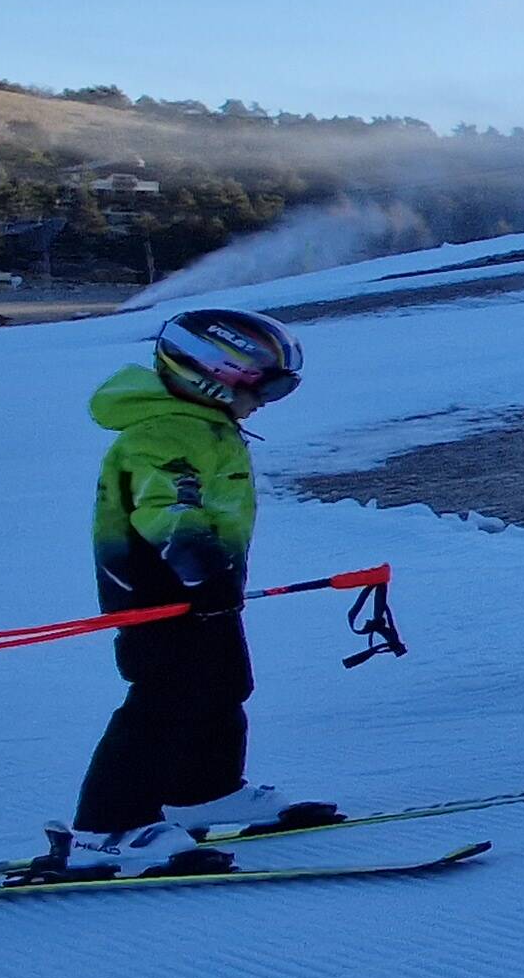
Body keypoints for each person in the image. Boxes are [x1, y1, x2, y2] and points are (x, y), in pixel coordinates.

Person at [42, 308, 332, 877]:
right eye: (263, 387)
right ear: (211, 375)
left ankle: (204, 790)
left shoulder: (201, 423)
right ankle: (106, 826)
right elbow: (169, 511)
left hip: (206, 590)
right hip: (160, 589)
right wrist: (204, 575)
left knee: (224, 684)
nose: (267, 402)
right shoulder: (164, 432)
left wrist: (216, 582)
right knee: (164, 699)